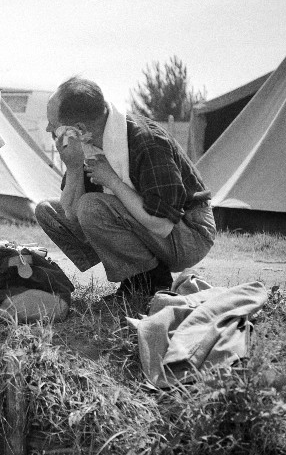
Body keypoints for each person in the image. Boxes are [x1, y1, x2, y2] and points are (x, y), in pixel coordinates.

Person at [35, 76, 215, 301]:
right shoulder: (88, 143)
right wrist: (73, 167)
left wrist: (112, 181)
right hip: (153, 225)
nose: (48, 128)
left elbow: (162, 224)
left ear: (79, 129)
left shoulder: (147, 142)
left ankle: (151, 281)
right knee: (48, 211)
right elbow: (71, 214)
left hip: (189, 232)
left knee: (91, 207)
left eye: (54, 125)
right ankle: (135, 273)